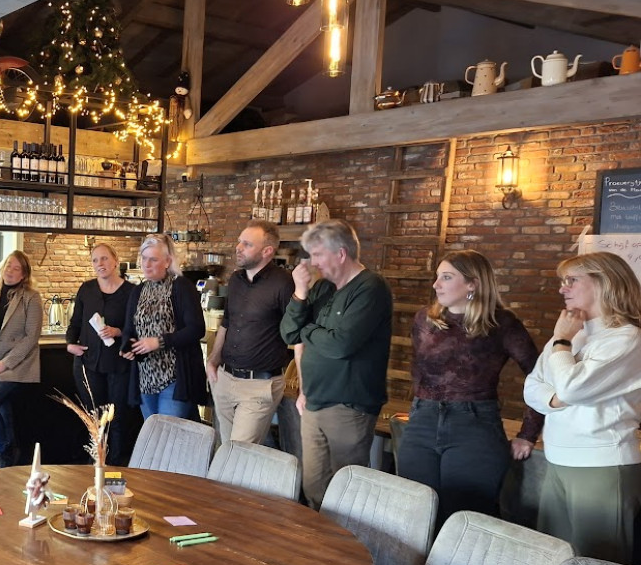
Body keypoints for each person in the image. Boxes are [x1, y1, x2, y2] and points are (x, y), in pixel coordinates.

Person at [396, 250, 543, 523]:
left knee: (463, 520)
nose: (436, 284)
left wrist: (528, 433)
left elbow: (540, 376)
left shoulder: (502, 323)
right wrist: (418, 409)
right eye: (437, 276)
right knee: (412, 512)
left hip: (475, 425)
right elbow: (418, 371)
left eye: (447, 277)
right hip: (423, 420)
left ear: (473, 284)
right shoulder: (424, 320)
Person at [524, 251, 641, 564]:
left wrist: (561, 345)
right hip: (558, 457)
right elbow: (532, 387)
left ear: (604, 283)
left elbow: (573, 386)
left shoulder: (627, 338)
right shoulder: (572, 336)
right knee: (556, 560)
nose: (563, 289)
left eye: (572, 280)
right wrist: (557, 398)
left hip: (601, 462)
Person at [280, 220, 392, 508]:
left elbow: (340, 345)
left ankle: (344, 550)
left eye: (317, 255)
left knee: (344, 491)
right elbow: (289, 333)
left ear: (340, 254)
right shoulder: (321, 289)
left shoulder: (370, 288)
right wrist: (301, 292)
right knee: (313, 486)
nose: (312, 263)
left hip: (348, 405)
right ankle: (316, 549)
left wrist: (308, 330)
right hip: (314, 400)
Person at [206, 221, 294, 446]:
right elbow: (227, 322)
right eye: (239, 241)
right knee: (226, 448)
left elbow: (297, 333)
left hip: (260, 385)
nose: (238, 247)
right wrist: (213, 361)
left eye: (246, 244)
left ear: (267, 251)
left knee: (238, 453)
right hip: (225, 378)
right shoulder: (236, 279)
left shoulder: (284, 283)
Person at [121, 233, 208, 421]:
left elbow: (196, 329)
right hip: (145, 377)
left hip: (175, 378)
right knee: (153, 437)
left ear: (168, 261)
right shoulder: (138, 290)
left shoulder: (182, 287)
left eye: (153, 259)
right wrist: (128, 347)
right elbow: (128, 329)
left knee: (168, 436)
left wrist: (159, 342)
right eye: (144, 258)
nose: (146, 264)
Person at [66, 243, 136, 466]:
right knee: (94, 418)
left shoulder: (132, 292)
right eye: (95, 260)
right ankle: (95, 463)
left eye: (104, 259)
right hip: (88, 363)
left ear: (116, 261)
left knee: (116, 419)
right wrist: (70, 344)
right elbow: (75, 323)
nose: (100, 264)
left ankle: (113, 466)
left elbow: (138, 329)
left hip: (119, 364)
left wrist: (118, 331)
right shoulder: (86, 289)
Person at [0, 250, 42, 467]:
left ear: (23, 274)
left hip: (17, 367)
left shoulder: (31, 297)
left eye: (16, 268)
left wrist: (5, 364)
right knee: (3, 412)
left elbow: (31, 337)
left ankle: (2, 450)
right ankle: (10, 462)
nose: (10, 271)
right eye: (8, 266)